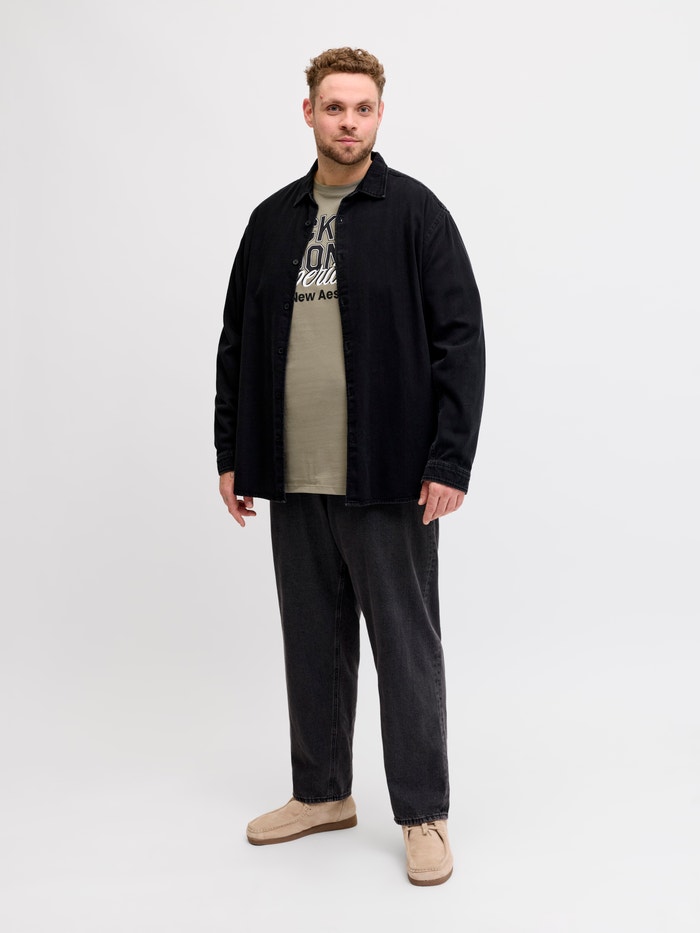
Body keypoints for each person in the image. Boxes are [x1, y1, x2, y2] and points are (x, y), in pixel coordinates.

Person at [215, 47, 485, 887]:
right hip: (292, 473)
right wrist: (232, 453)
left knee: (405, 647)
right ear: (309, 112)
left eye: (362, 108)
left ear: (379, 115)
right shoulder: (271, 221)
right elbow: (236, 341)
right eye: (334, 107)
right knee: (313, 641)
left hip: (389, 475)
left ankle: (424, 812)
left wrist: (449, 457)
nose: (348, 122)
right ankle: (323, 792)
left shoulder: (415, 213)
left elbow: (461, 340)